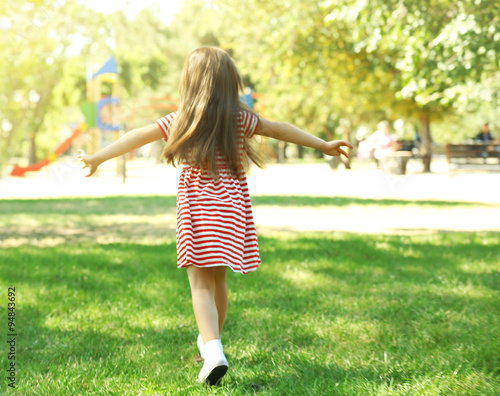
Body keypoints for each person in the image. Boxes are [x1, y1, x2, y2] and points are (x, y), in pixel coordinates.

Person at [76, 46, 352, 386]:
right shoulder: (241, 119)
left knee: (200, 285)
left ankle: (213, 349)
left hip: (198, 209)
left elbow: (136, 136)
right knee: (218, 280)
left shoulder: (182, 119)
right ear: (229, 83)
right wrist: (323, 145)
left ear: (190, 84)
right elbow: (281, 128)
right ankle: (212, 344)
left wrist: (98, 158)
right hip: (232, 209)